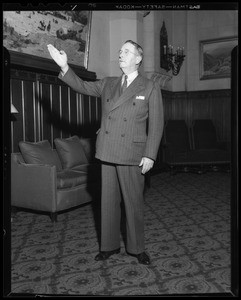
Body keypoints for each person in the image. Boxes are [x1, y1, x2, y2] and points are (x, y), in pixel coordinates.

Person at [47, 40, 164, 265]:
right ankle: (109, 246)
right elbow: (82, 86)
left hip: (132, 154)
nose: (121, 54)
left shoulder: (149, 86)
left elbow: (157, 124)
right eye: (120, 51)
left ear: (138, 59)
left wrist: (150, 155)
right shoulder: (108, 83)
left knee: (133, 203)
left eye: (126, 51)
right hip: (108, 150)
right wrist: (64, 67)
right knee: (108, 202)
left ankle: (137, 248)